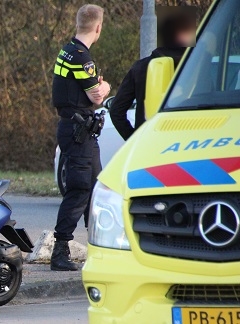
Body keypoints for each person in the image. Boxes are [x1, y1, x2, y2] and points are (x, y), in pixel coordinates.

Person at [50, 4, 111, 271]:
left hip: (78, 130)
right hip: (78, 132)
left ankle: (100, 249)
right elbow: (96, 96)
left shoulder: (68, 49)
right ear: (97, 28)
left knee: (96, 190)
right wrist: (105, 85)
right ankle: (60, 251)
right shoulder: (82, 58)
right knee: (79, 189)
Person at [110, 11, 196, 140]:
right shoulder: (197, 69)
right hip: (187, 143)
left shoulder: (140, 68)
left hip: (148, 144)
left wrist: (133, 139)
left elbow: (116, 111)